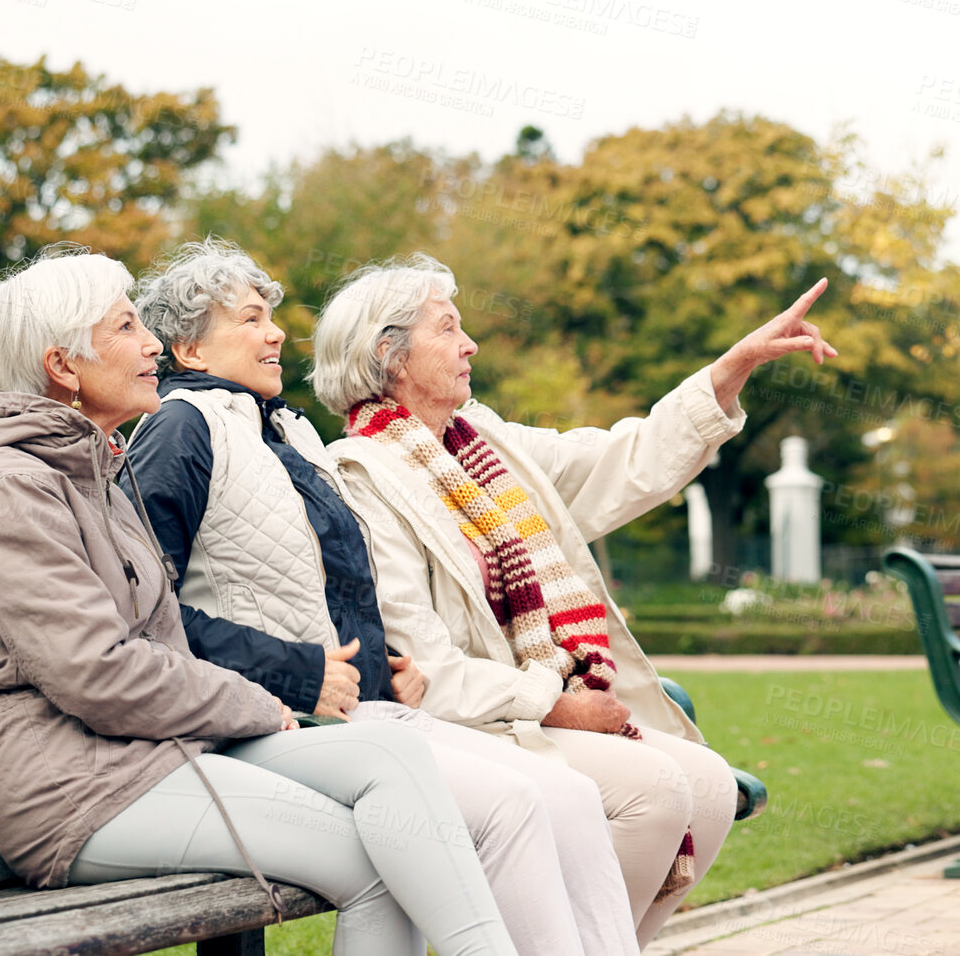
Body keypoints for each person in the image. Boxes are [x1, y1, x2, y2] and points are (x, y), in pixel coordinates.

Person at [0, 244, 517, 956]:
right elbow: (95, 672)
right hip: (79, 795)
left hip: (152, 755)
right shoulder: (14, 488)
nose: (152, 344)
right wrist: (257, 702)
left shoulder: (91, 470)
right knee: (381, 867)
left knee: (392, 756)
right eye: (126, 327)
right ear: (63, 366)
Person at [124, 239, 639, 956]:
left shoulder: (285, 430)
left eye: (270, 314)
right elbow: (145, 611)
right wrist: (299, 670)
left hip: (364, 706)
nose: (274, 332)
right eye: (248, 318)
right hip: (263, 723)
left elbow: (311, 582)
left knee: (571, 797)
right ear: (191, 347)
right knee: (510, 807)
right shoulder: (179, 429)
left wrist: (384, 660)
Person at [313, 253, 838, 944]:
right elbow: (424, 663)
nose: (470, 344)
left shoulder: (488, 445)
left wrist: (728, 370)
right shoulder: (359, 476)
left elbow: (628, 458)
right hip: (476, 723)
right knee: (654, 794)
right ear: (391, 356)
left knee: (708, 788)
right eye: (447, 328)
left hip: (543, 707)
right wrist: (556, 703)